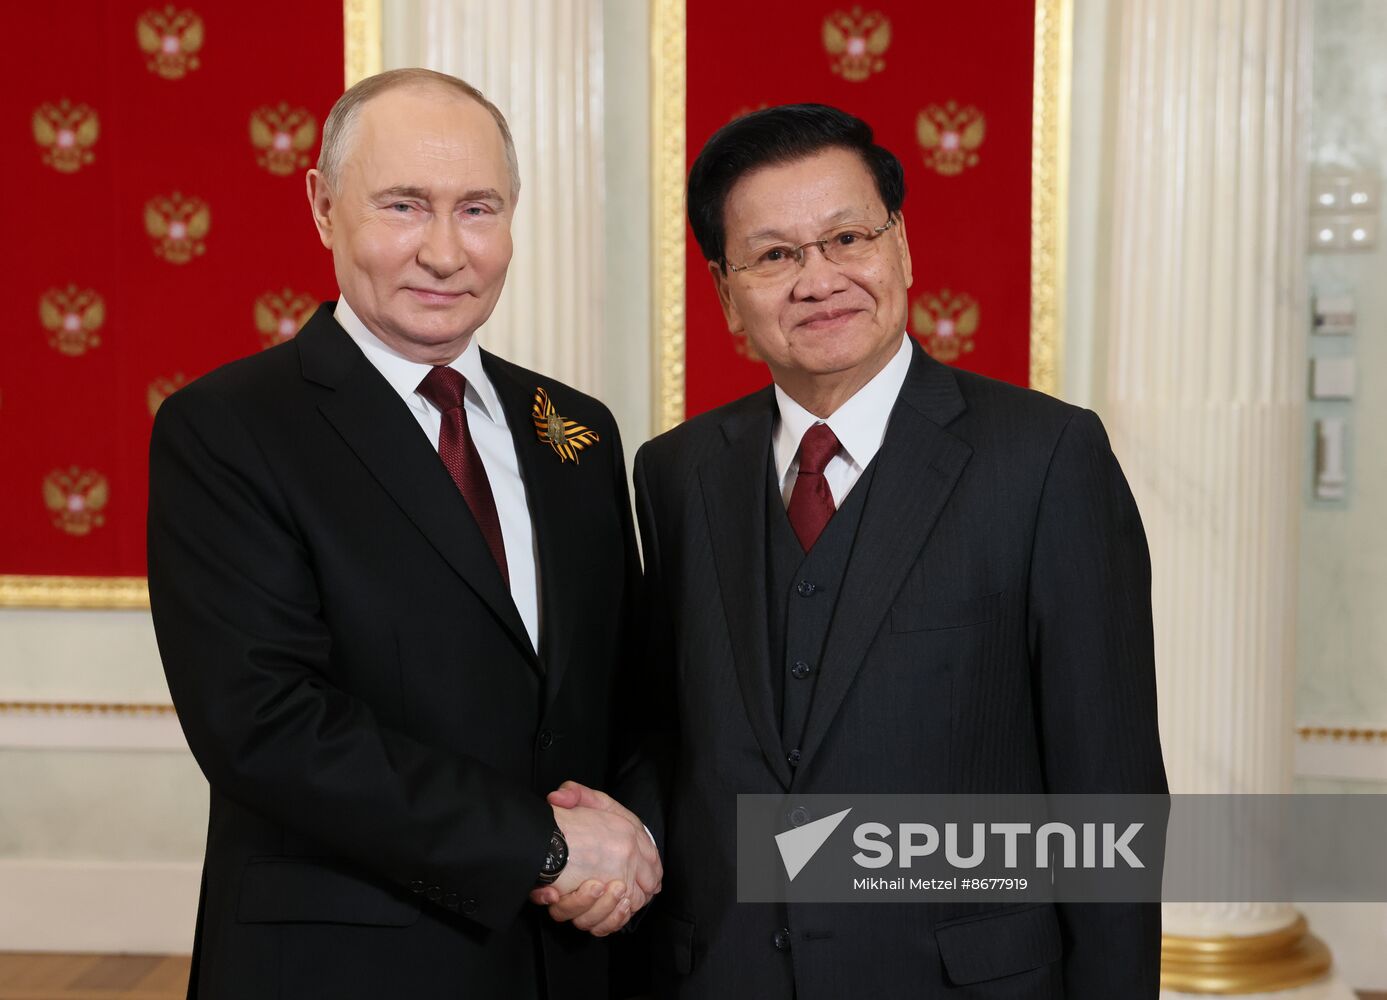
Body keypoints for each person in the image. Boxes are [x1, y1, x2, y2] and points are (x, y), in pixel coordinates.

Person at [545, 104, 1166, 997]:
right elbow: (664, 731)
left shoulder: (1044, 459)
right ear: (726, 292)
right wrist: (622, 839)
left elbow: (1111, 795)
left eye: (846, 237)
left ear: (900, 247)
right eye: (774, 256)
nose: (819, 279)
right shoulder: (675, 473)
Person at [147, 68, 659, 1000]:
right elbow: (263, 725)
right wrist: (536, 845)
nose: (444, 251)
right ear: (322, 205)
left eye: (477, 208)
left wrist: (637, 838)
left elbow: (632, 694)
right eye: (403, 206)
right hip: (345, 960)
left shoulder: (575, 430)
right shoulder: (228, 428)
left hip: (570, 959)